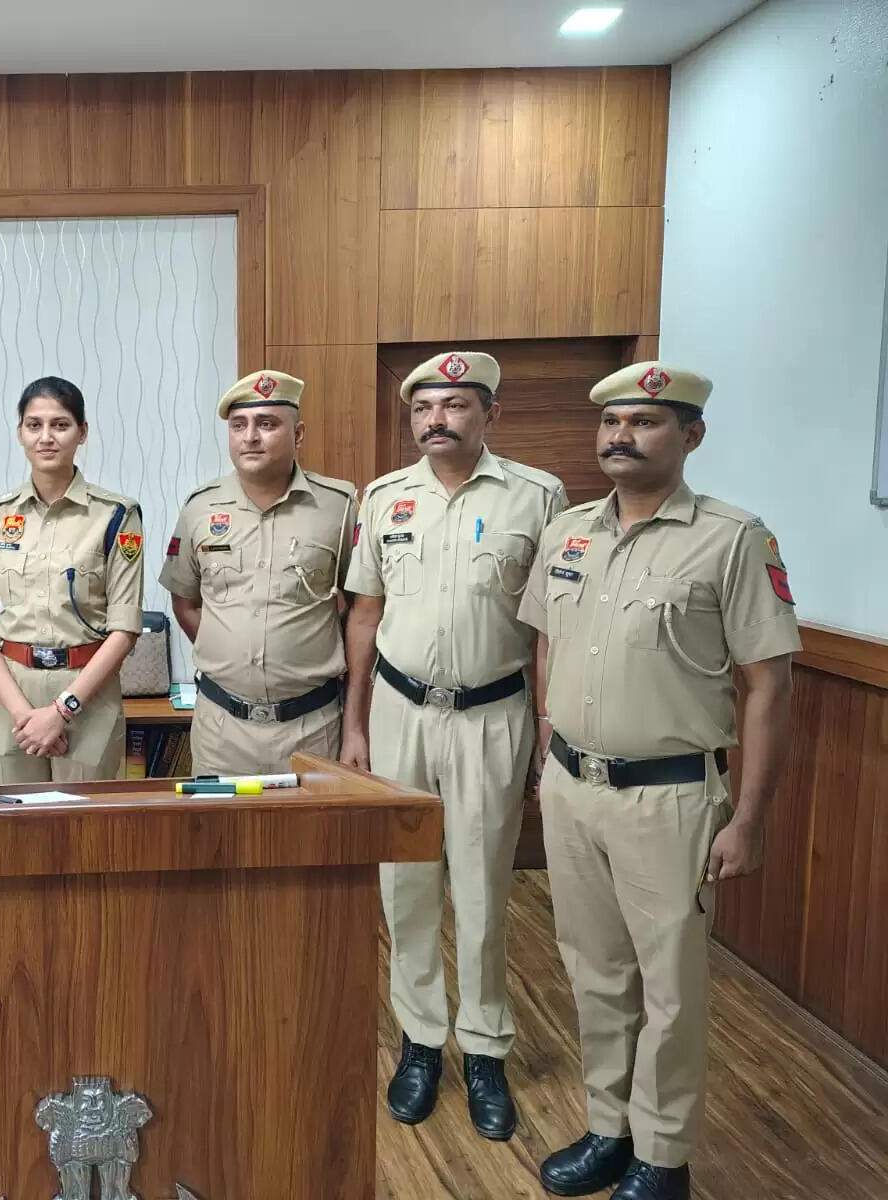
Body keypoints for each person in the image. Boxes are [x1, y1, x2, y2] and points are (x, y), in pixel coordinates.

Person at [520, 363, 798, 1200]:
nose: (621, 436)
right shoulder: (568, 531)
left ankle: (663, 1156)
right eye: (611, 422)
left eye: (643, 422)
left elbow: (770, 686)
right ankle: (610, 1129)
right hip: (573, 787)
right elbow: (546, 642)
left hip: (670, 798)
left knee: (671, 986)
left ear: (691, 435)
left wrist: (748, 818)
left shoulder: (734, 538)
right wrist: (546, 743)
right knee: (593, 969)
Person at [341, 351, 567, 1140]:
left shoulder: (538, 496)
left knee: (482, 888)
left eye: (456, 404)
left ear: (490, 414)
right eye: (424, 407)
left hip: (492, 715)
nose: (437, 419)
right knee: (404, 889)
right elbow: (364, 615)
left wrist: (546, 728)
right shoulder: (384, 498)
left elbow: (549, 627)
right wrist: (355, 724)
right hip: (400, 712)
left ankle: (485, 1049)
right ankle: (420, 1041)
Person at [159, 370, 357, 775]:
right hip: (221, 729)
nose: (250, 437)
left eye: (266, 424)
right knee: (219, 821)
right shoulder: (199, 508)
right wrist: (231, 657)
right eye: (239, 425)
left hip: (313, 727)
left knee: (315, 821)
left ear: (297, 435)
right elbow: (185, 602)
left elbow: (360, 612)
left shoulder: (339, 506)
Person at [0, 377, 143, 782]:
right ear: (20, 433)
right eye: (34, 425)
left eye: (60, 425)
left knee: (87, 820)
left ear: (82, 432)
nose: (46, 437)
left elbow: (125, 630)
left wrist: (62, 711)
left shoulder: (116, 515)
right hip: (11, 695)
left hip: (87, 695)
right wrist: (24, 715)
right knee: (13, 818)